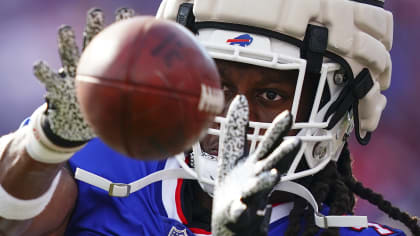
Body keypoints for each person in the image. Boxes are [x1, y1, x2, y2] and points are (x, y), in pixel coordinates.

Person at [0, 0, 418, 236]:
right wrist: (42, 146)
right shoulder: (101, 168)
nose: (233, 116)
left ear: (341, 110)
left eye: (269, 94)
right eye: (216, 85)